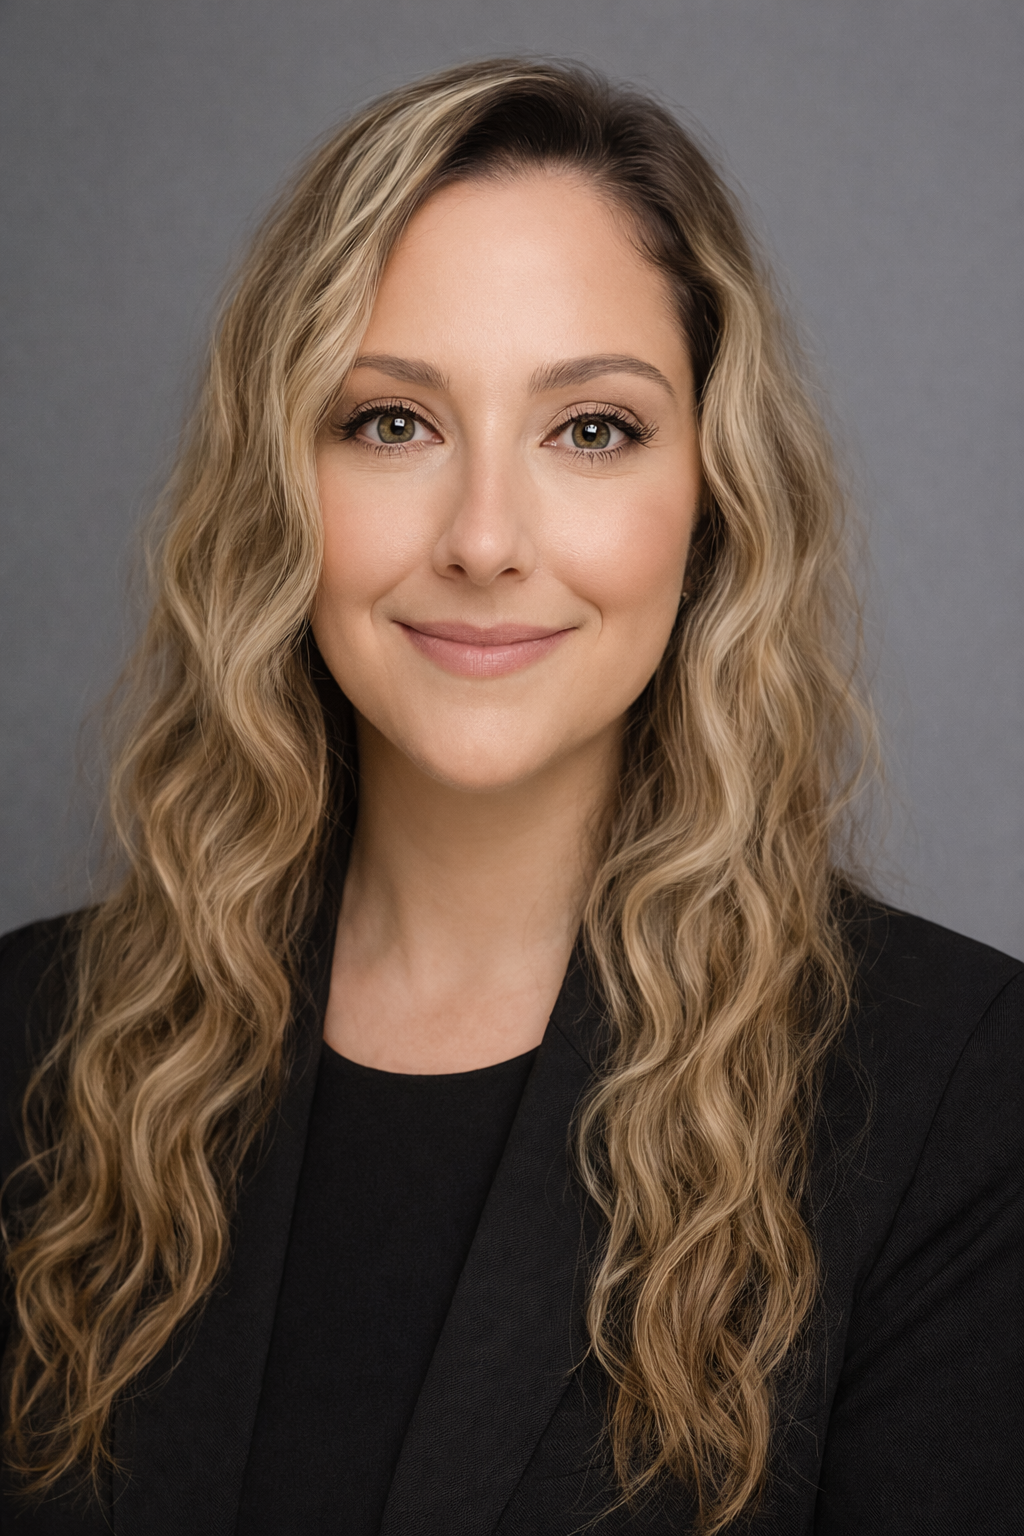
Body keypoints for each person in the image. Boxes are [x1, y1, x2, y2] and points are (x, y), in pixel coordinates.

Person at [1, 58, 1019, 1536]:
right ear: (281, 486)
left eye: (591, 429)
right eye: (391, 422)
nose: (484, 537)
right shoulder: (31, 1042)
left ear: (716, 497)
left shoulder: (959, 1099)